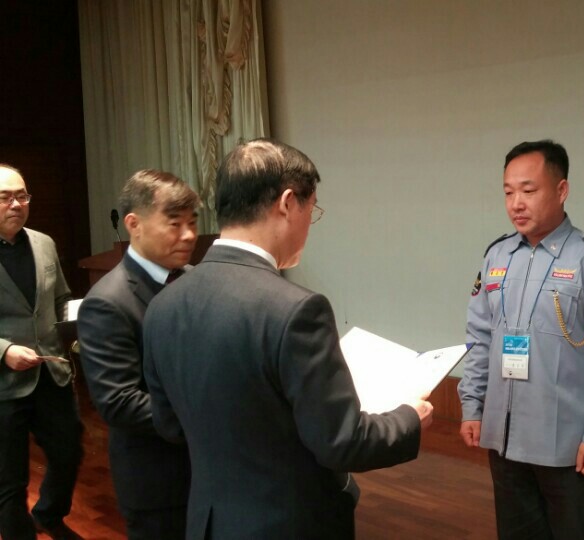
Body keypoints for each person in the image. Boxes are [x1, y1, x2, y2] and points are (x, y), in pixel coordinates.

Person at [141, 139, 432, 539]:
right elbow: (343, 443)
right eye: (313, 211)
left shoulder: (163, 305)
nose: (310, 225)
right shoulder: (296, 309)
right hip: (288, 523)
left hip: (210, 522)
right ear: (288, 203)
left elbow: (169, 424)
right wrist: (409, 417)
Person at [458, 140, 584, 539]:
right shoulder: (497, 256)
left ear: (561, 190)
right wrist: (472, 406)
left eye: (529, 190)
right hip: (504, 438)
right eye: (508, 192)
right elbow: (479, 338)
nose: (516, 203)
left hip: (566, 445)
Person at [77, 170, 198, 539]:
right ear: (134, 224)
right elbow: (118, 402)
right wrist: (206, 415)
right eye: (174, 223)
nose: (188, 235)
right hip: (159, 480)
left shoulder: (194, 278)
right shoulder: (107, 302)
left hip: (211, 470)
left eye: (193, 222)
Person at [0, 164, 84, 540]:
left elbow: (61, 298)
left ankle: (48, 514)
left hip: (52, 373)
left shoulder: (44, 243)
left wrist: (78, 329)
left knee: (69, 452)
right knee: (9, 481)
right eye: (5, 197)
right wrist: (4, 351)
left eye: (22, 196)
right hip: (4, 384)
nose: (16, 204)